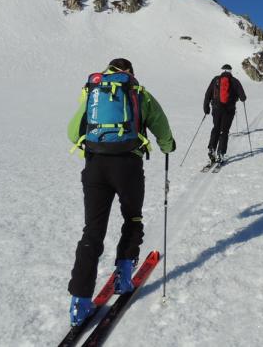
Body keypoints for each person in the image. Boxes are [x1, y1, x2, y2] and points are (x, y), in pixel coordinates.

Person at [66, 58, 176, 326]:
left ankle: (79, 302)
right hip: (127, 166)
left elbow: (72, 133)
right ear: (130, 73)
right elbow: (160, 125)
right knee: (132, 218)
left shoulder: (94, 91)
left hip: (95, 167)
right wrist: (167, 145)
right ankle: (123, 278)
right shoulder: (138, 92)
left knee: (92, 230)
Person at [203, 64, 247, 164]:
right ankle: (221, 153)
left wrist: (206, 107)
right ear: (230, 71)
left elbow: (208, 94)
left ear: (222, 70)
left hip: (216, 109)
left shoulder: (215, 80)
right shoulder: (235, 81)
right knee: (224, 131)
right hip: (228, 110)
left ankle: (211, 148)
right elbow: (243, 97)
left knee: (216, 128)